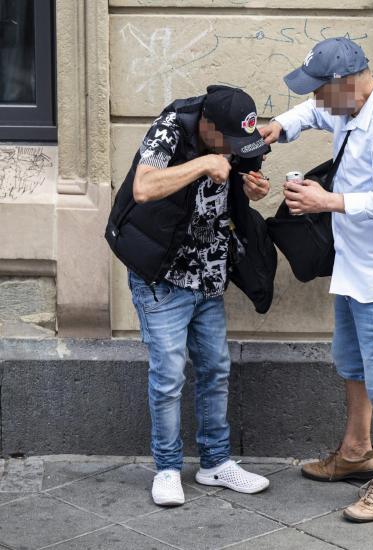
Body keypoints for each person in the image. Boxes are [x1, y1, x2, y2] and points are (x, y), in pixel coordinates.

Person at [260, 37, 373, 522]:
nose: (315, 100)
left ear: (348, 83)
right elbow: (310, 116)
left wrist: (326, 202)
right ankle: (357, 451)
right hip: (355, 268)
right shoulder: (344, 104)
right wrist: (278, 127)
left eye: (320, 91)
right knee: (352, 364)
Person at [106, 86, 274, 506]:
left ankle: (216, 462)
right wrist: (203, 163)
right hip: (162, 278)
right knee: (168, 376)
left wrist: (253, 188)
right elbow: (143, 187)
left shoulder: (237, 138)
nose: (237, 151)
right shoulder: (171, 129)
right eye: (229, 144)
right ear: (207, 126)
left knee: (216, 369)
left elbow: (245, 177)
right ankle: (166, 468)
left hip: (210, 274)